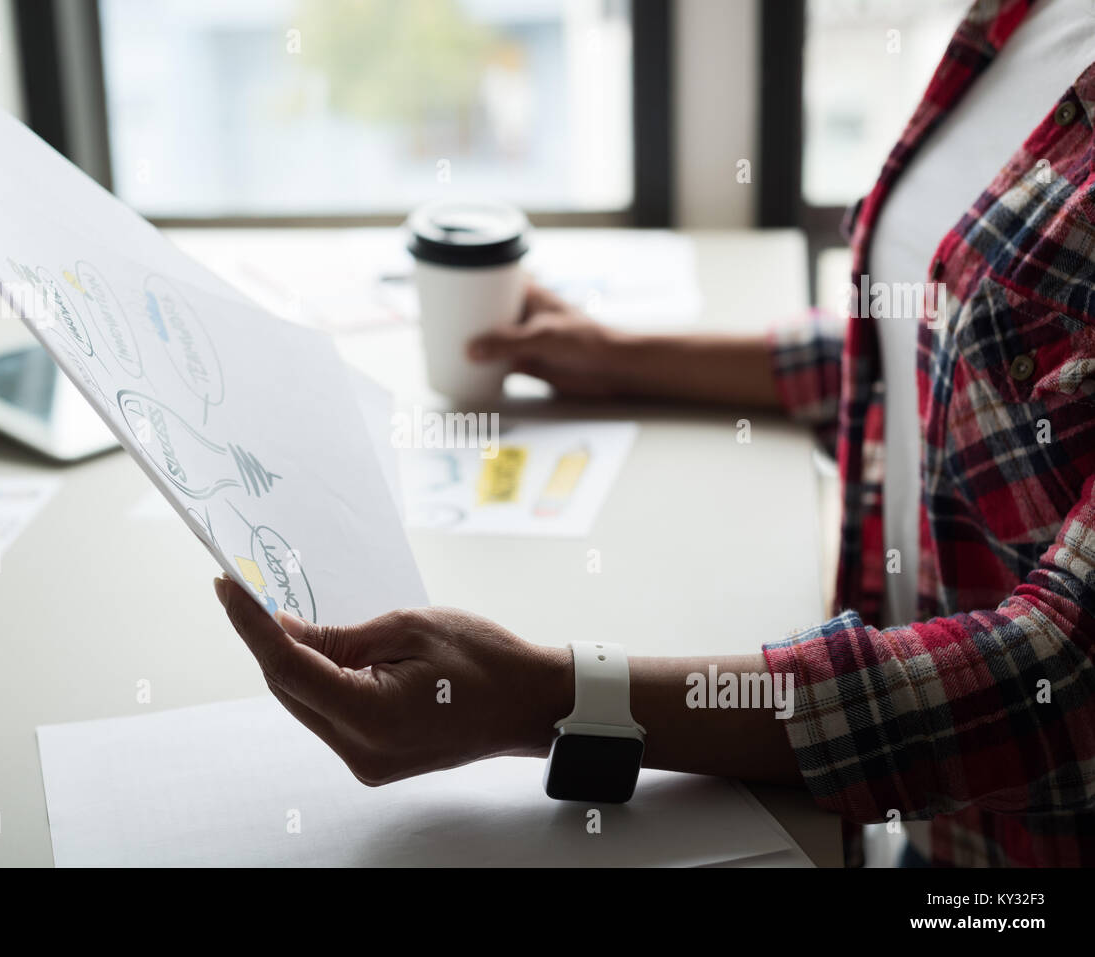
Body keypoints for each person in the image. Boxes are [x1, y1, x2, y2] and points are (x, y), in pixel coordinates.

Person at [217, 0, 1095, 867]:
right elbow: (934, 351)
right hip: (916, 810)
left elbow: (1059, 683)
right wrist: (612, 355)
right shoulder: (1022, 16)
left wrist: (546, 701)